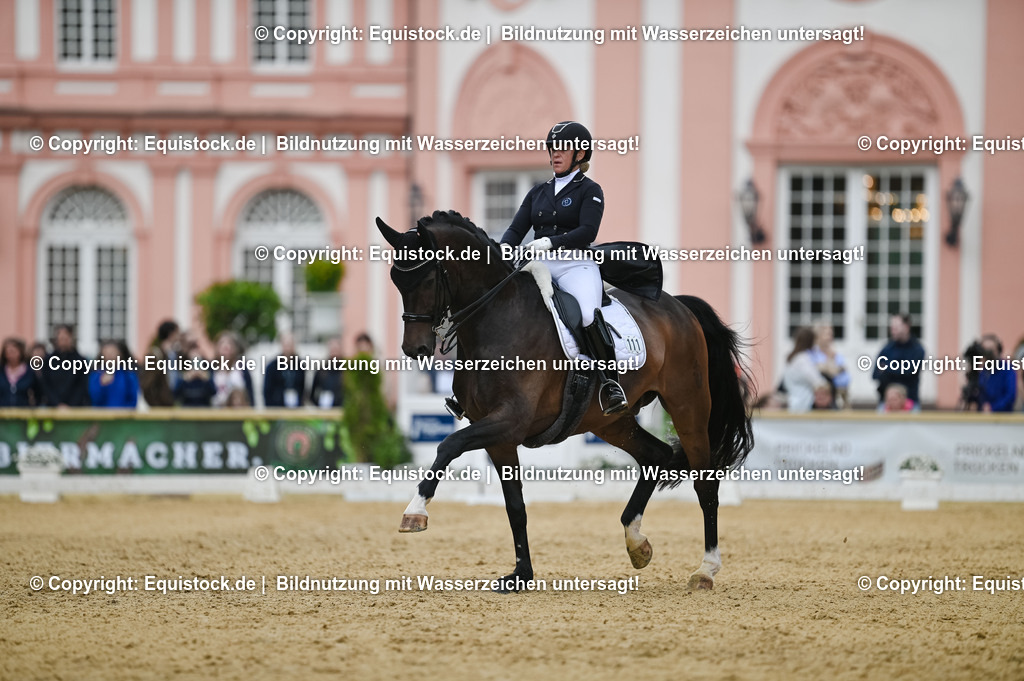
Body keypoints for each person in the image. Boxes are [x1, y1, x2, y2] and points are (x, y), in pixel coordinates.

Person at [499, 120, 626, 415]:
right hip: (539, 265)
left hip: (576, 265)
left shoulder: (590, 190)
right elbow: (517, 229)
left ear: (580, 155)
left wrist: (551, 242)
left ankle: (610, 383)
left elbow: (588, 232)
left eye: (563, 148)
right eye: (552, 148)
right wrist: (505, 247)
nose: (555, 154)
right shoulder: (537, 193)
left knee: (585, 312)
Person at [872, 313, 925, 408]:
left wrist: (887, 369)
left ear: (906, 327)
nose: (892, 330)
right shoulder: (887, 348)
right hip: (887, 404)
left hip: (910, 402)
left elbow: (909, 372)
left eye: (896, 327)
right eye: (891, 327)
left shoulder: (917, 350)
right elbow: (875, 374)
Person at [782, 327, 831, 413]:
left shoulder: (793, 358)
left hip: (794, 400)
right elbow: (818, 381)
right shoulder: (802, 359)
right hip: (803, 404)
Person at [41, 324, 90, 407]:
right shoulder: (48, 361)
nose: (63, 339)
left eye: (66, 336)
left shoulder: (80, 361)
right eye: (60, 337)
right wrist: (57, 404)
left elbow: (81, 386)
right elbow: (46, 385)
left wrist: (70, 405)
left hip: (75, 408)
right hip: (53, 407)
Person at [139, 320, 180, 407]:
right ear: (171, 334)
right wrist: (155, 405)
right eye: (177, 333)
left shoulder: (175, 354)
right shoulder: (155, 355)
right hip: (160, 406)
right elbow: (147, 385)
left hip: (173, 403)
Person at [810, 322, 849, 408]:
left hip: (834, 399)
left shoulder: (836, 356)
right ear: (817, 336)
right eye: (826, 334)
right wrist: (833, 370)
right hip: (815, 401)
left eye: (831, 334)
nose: (830, 338)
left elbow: (845, 380)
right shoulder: (811, 354)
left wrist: (828, 367)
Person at [88, 340, 139, 408]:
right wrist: (102, 385)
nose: (109, 355)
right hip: (102, 416)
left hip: (123, 416)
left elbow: (133, 400)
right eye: (106, 352)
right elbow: (94, 399)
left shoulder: (128, 375)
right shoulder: (96, 375)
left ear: (120, 354)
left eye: (112, 352)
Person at [211, 331, 254, 407]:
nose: (226, 347)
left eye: (230, 343)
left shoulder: (242, 369)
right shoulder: (211, 369)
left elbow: (250, 395)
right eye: (222, 344)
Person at [264, 332, 306, 407]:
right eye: (286, 345)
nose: (288, 348)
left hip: (296, 408)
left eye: (290, 345)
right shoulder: (272, 366)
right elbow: (267, 391)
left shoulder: (300, 366)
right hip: (278, 408)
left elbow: (302, 388)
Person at [977, 334, 1016, 413]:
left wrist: (993, 407)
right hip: (984, 418)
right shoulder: (983, 371)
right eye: (985, 350)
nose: (988, 354)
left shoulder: (1007, 369)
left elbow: (1010, 396)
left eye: (991, 350)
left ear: (998, 350)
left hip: (1004, 418)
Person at [0, 337, 39, 407]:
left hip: (23, 413)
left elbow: (38, 393)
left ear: (20, 352)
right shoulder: (2, 371)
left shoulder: (29, 372)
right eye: (8, 352)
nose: (10, 355)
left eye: (13, 351)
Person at [310, 336, 345, 408]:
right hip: (325, 411)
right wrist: (319, 403)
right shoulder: (321, 370)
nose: (334, 352)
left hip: (341, 410)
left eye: (336, 349)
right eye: (332, 349)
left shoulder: (347, 371)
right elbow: (312, 393)